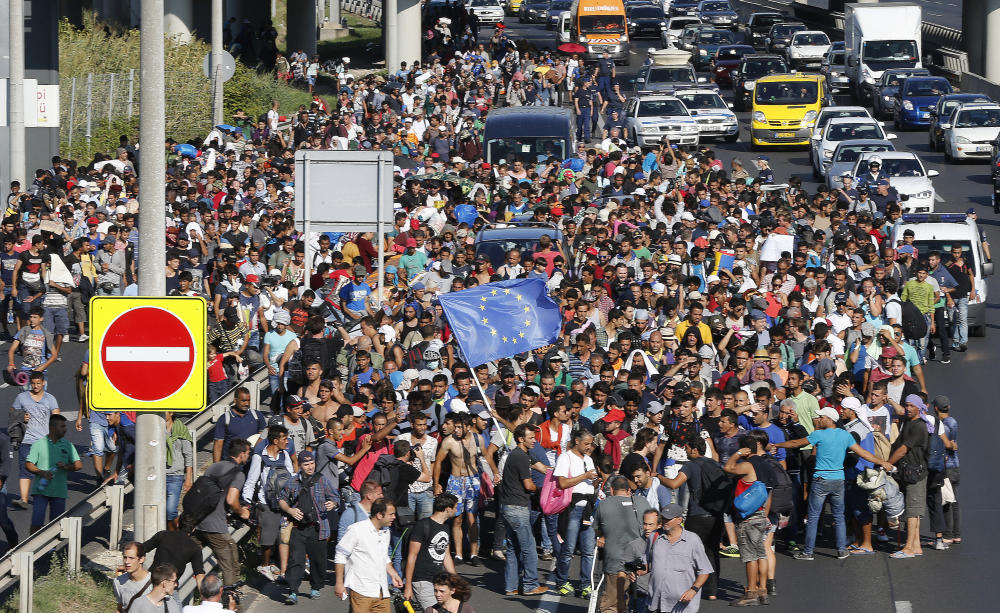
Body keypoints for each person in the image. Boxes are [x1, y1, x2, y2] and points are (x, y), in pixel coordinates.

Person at [771, 406, 893, 560]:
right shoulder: (844, 435)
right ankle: (841, 550)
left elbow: (796, 443)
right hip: (838, 480)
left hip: (821, 479)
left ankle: (808, 552)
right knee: (839, 516)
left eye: (821, 417)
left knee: (813, 517)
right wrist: (882, 462)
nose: (819, 419)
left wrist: (777, 445)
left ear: (829, 419)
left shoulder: (819, 434)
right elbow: (864, 453)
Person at [278, 449, 340, 604]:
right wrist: (289, 510)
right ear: (300, 465)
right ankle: (293, 591)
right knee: (296, 559)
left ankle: (316, 587)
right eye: (306, 464)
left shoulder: (322, 480)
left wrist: (332, 503)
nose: (310, 467)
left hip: (317, 527)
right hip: (297, 528)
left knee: (318, 560)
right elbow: (281, 499)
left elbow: (335, 496)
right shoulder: (292, 482)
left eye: (312, 463)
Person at [193, 438, 252, 589]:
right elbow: (232, 500)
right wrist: (241, 512)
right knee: (229, 562)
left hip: (198, 521)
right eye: (248, 453)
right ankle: (230, 597)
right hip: (215, 525)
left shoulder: (213, 467)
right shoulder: (238, 474)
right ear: (241, 455)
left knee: (229, 546)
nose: (249, 456)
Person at [499, 424, 549, 597]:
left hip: (508, 507)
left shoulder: (523, 455)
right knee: (529, 548)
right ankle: (530, 585)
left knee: (514, 548)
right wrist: (541, 490)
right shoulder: (520, 457)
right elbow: (528, 485)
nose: (535, 440)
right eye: (531, 438)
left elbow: (544, 469)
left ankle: (510, 586)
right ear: (521, 439)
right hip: (517, 508)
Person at [635, 503, 712, 613]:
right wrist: (638, 571)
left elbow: (705, 570)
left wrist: (693, 590)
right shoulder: (654, 536)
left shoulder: (692, 540)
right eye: (663, 518)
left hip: (682, 606)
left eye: (668, 519)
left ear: (679, 520)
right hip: (656, 604)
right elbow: (646, 563)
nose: (664, 521)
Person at [242, 424, 294, 582]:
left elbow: (291, 477)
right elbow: (251, 481)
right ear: (275, 440)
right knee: (268, 539)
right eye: (284, 439)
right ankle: (264, 565)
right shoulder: (260, 457)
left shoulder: (285, 455)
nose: (287, 442)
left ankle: (273, 564)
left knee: (282, 537)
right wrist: (246, 503)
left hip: (284, 503)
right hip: (266, 504)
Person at [335, 498, 404, 613]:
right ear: (379, 515)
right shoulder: (356, 530)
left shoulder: (386, 532)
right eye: (391, 514)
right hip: (361, 591)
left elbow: (383, 556)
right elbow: (340, 555)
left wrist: (393, 573)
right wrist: (339, 583)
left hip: (381, 591)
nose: (394, 517)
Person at [595, 475, 652, 613]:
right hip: (640, 562)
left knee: (612, 604)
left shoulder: (604, 504)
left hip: (615, 561)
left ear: (612, 491)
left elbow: (598, 530)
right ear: (628, 491)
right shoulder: (643, 502)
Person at [552, 429, 599, 598]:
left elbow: (591, 484)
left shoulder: (588, 459)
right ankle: (562, 581)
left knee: (588, 550)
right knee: (568, 549)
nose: (589, 447)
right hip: (572, 509)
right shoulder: (565, 458)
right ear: (577, 441)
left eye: (591, 444)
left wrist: (594, 481)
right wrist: (585, 475)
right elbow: (563, 483)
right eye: (586, 443)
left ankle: (586, 585)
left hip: (588, 510)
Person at [887, 395, 931, 558]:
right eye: (906, 405)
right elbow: (897, 444)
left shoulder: (919, 426)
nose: (908, 408)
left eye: (912, 405)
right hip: (908, 473)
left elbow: (903, 449)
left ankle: (908, 548)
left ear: (919, 407)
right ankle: (916, 545)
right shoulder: (908, 422)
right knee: (914, 511)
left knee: (912, 513)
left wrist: (888, 464)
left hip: (916, 475)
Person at [10, 370, 60, 508]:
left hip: (44, 441)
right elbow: (12, 412)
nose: (36, 386)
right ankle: (24, 500)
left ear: (43, 383)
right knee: (25, 469)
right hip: (26, 440)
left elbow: (57, 416)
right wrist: (21, 416)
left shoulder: (50, 398)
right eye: (33, 383)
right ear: (30, 384)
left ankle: (47, 497)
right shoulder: (22, 397)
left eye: (38, 383)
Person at [25, 413, 81, 533]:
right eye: (62, 426)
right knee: (37, 522)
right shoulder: (39, 444)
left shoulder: (68, 445)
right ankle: (32, 549)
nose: (65, 429)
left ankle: (52, 551)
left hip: (59, 492)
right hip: (41, 491)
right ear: (52, 428)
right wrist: (41, 472)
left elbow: (78, 465)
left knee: (56, 525)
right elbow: (28, 464)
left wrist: (66, 466)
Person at [405, 493, 459, 609]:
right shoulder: (422, 525)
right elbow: (412, 556)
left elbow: (446, 555)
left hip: (438, 580)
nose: (456, 510)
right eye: (455, 507)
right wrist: (408, 586)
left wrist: (456, 579)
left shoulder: (445, 527)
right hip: (421, 580)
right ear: (448, 509)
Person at [113, 541, 151, 613]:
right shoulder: (118, 582)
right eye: (125, 557)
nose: (127, 562)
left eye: (131, 558)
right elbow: (120, 609)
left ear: (141, 559)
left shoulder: (155, 582)